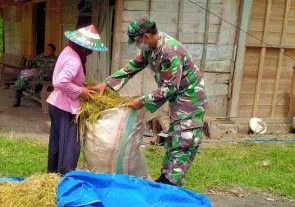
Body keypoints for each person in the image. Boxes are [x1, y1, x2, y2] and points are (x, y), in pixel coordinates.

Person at [92, 16, 207, 186]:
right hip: (178, 99)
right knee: (172, 139)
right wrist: (107, 83)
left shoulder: (170, 51)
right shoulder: (151, 48)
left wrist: (143, 101)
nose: (137, 44)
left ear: (145, 36)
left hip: (190, 99)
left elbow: (170, 88)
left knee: (184, 139)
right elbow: (133, 66)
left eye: (137, 40)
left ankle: (172, 183)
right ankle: (166, 178)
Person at [46, 25, 108, 175]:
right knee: (70, 146)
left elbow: (67, 79)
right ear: (82, 47)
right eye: (89, 49)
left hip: (56, 103)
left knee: (58, 142)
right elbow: (60, 82)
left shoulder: (68, 51)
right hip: (65, 106)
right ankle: (65, 176)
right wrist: (81, 91)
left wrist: (83, 86)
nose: (91, 52)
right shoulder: (75, 60)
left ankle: (52, 175)